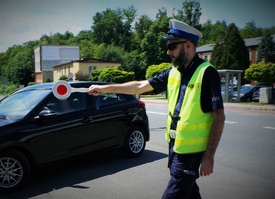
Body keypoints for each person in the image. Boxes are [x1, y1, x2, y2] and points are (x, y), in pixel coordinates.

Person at [88, 19, 225, 199]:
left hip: (190, 152)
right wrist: (105, 89)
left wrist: (209, 156)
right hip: (175, 146)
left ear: (189, 45)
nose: (168, 52)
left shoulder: (207, 73)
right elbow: (139, 86)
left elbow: (219, 116)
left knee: (175, 192)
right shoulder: (173, 71)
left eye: (173, 46)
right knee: (189, 192)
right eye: (168, 47)